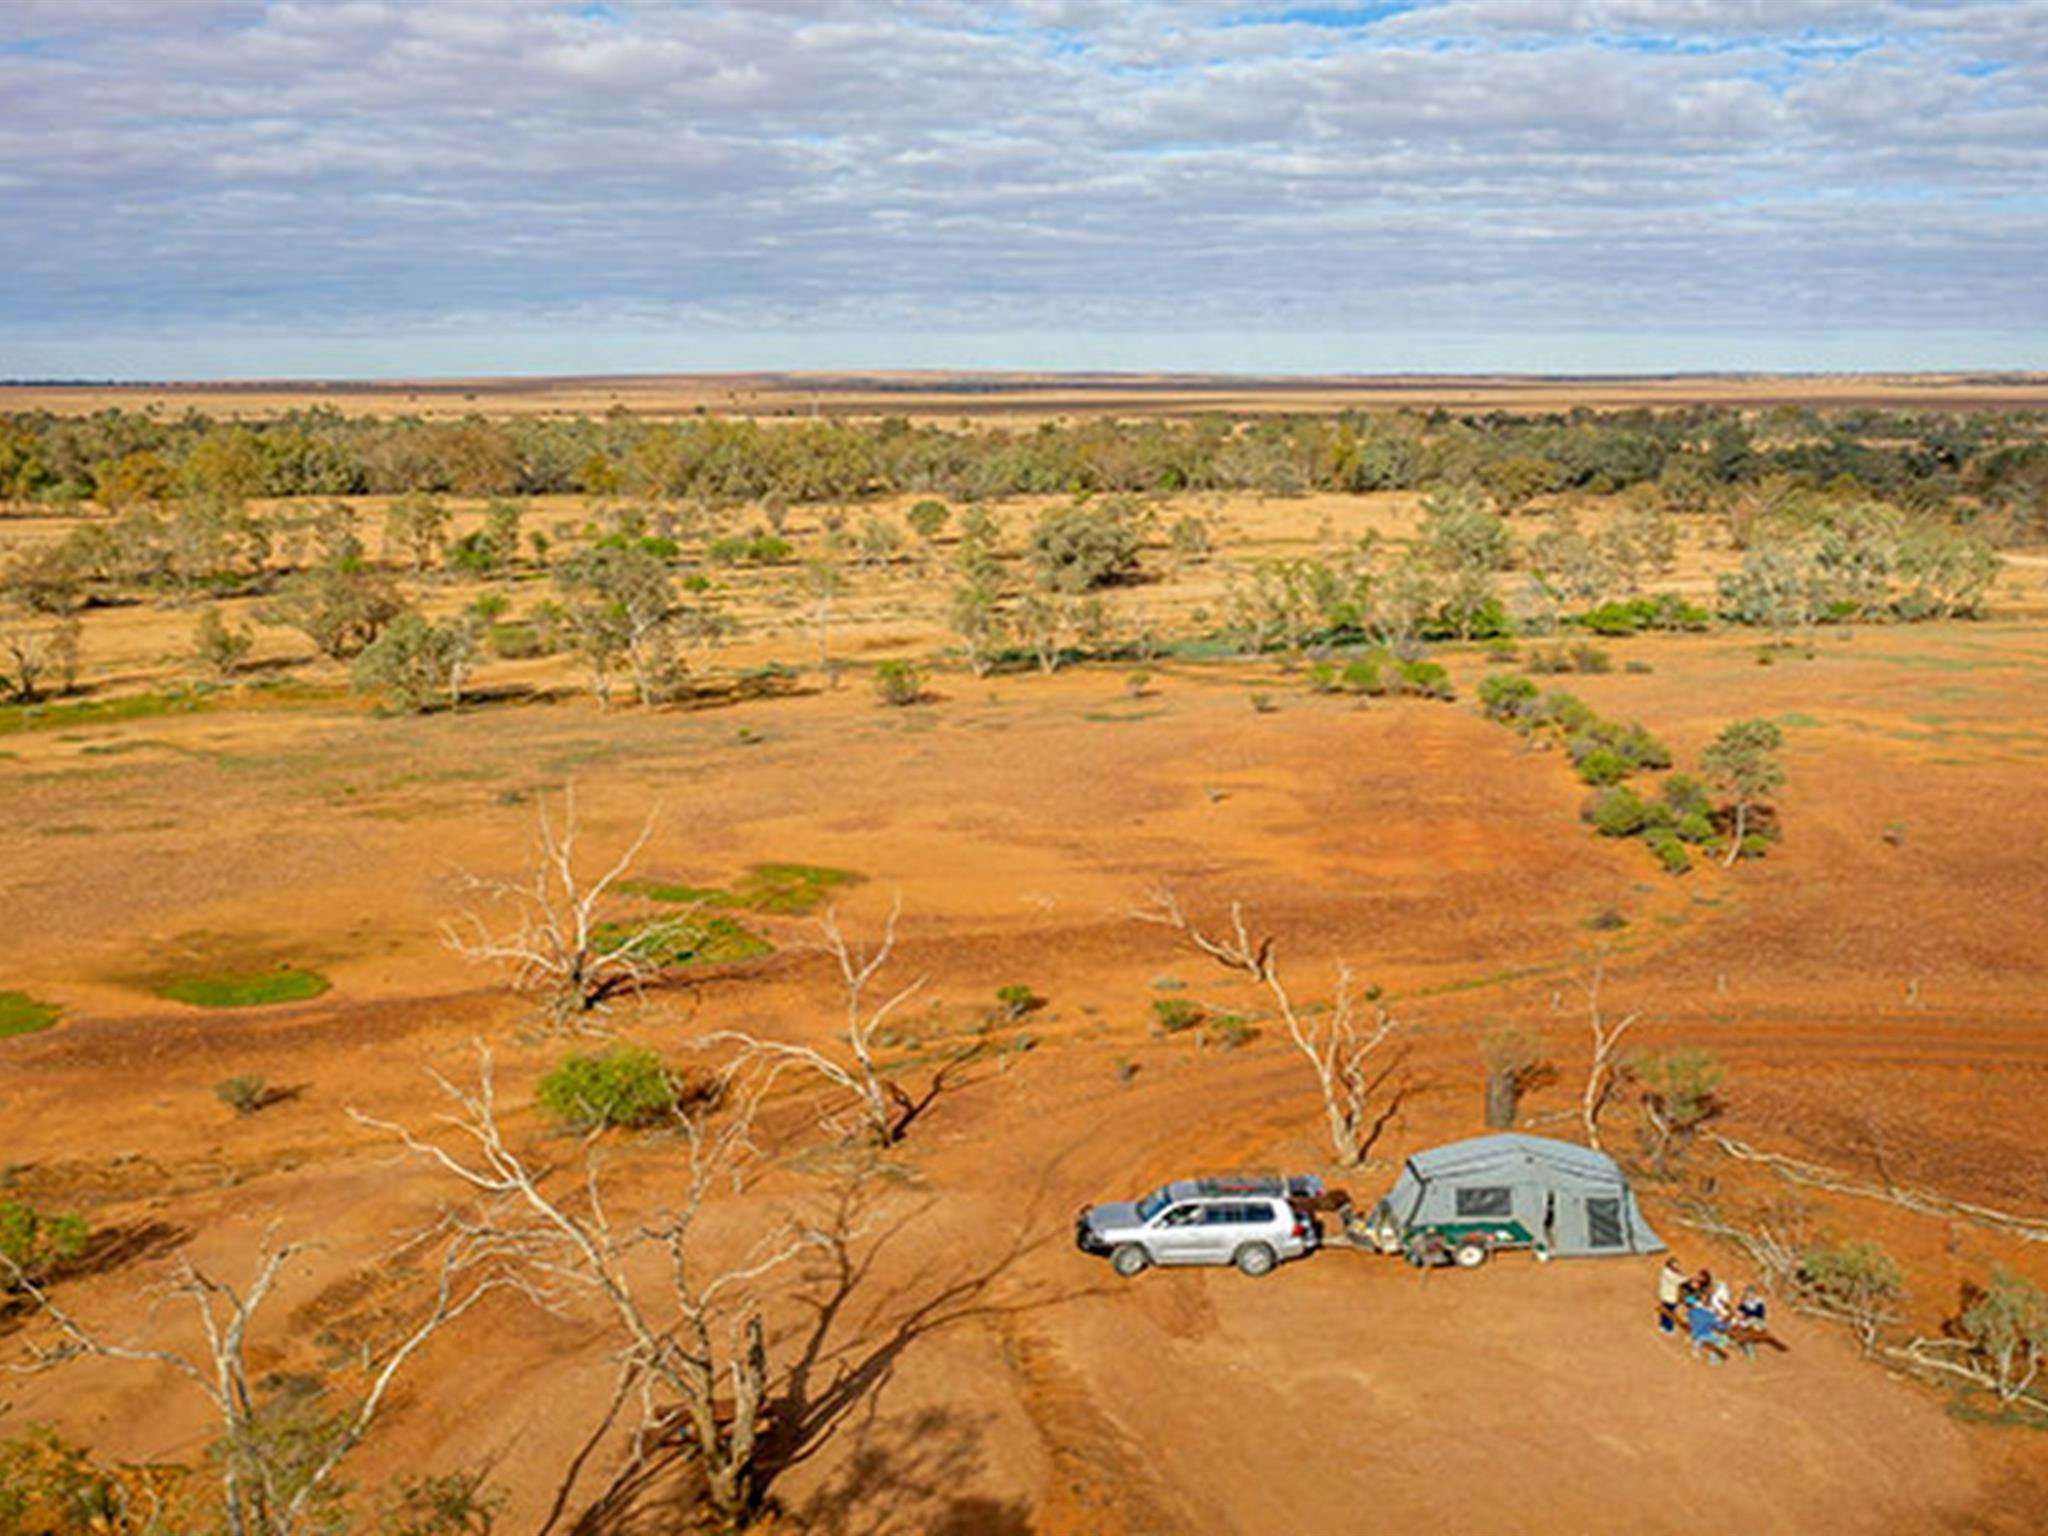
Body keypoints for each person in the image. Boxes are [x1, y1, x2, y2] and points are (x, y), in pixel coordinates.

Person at [1657, 1256, 1687, 1334]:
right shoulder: (1669, 1274)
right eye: (1674, 1266)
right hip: (1669, 1296)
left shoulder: (1667, 1271)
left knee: (1665, 1310)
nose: (1676, 1267)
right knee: (1670, 1311)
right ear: (1669, 1266)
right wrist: (1688, 1278)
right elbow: (1678, 1281)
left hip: (1666, 1295)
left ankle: (1662, 1325)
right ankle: (1669, 1328)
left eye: (1677, 1265)